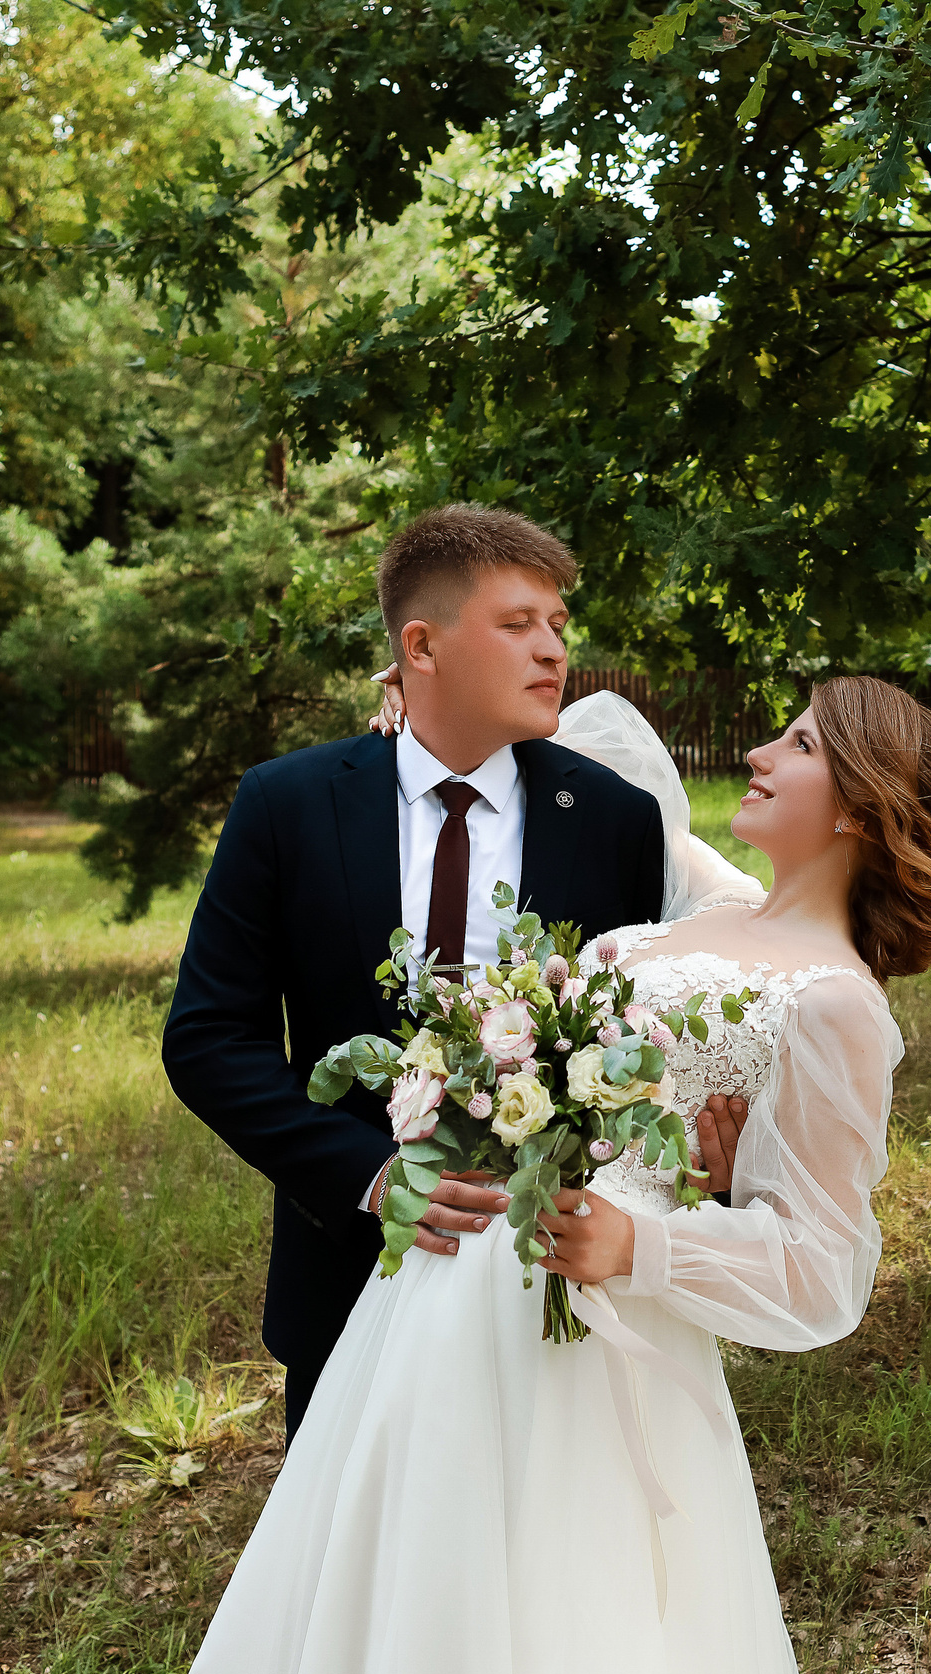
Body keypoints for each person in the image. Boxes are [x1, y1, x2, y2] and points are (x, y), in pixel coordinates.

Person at [180, 673, 931, 1674]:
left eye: (796, 745)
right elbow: (590, 758)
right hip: (437, 1295)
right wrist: (423, 710)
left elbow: (826, 1270)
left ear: (861, 807)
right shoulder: (702, 908)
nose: (758, 757)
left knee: (557, 1606)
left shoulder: (834, 1005)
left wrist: (644, 1241)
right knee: (415, 1581)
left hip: (591, 1339)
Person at [160, 504, 748, 1439]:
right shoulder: (289, 803)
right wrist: (369, 1174)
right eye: (518, 624)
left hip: (549, 1272)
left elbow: (639, 1035)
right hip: (353, 1262)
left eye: (558, 626)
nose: (553, 650)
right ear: (421, 646)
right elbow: (206, 1039)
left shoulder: (612, 819)